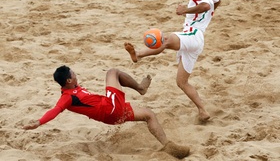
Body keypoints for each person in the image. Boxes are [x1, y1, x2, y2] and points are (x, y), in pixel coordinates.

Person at [22, 65, 190, 159]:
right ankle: (140, 88)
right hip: (111, 108)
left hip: (111, 116)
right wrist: (39, 122)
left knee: (148, 114)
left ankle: (168, 146)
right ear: (68, 80)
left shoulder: (74, 88)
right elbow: (55, 110)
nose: (76, 74)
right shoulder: (66, 97)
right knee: (112, 72)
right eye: (73, 73)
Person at [124, 0, 221, 121]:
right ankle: (203, 111)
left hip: (192, 35)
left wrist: (185, 11)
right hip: (196, 39)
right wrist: (208, 16)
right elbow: (216, 1)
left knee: (166, 40)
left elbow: (205, 5)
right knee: (182, 82)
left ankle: (139, 55)